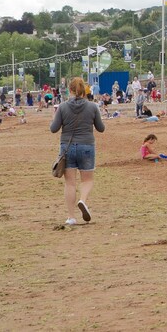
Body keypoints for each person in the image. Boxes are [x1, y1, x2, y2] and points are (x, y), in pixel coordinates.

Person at [50, 77, 106, 226]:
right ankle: (83, 200)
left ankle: (71, 217)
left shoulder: (62, 107)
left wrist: (54, 117)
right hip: (87, 145)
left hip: (67, 147)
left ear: (70, 90)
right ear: (84, 90)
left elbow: (53, 128)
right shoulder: (92, 107)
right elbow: (101, 128)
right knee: (87, 180)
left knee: (70, 183)